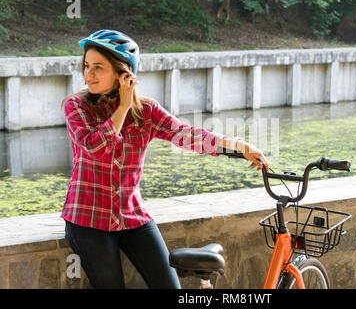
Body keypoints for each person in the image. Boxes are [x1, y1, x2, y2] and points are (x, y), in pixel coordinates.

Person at [59, 29, 270, 289]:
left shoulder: (146, 111)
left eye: (98, 67)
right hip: (88, 219)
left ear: (124, 73)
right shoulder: (76, 106)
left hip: (132, 216)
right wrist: (122, 107)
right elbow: (95, 146)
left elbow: (185, 134)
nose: (88, 74)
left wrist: (237, 145)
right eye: (86, 66)